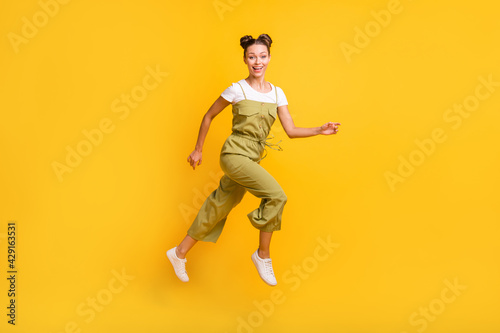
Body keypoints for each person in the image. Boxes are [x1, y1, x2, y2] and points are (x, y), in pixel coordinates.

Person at [167, 33, 340, 286]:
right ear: (245, 60)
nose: (257, 61)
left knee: (219, 204)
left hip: (253, 157)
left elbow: (290, 131)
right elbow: (208, 116)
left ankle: (179, 252)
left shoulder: (278, 93)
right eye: (251, 57)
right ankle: (263, 254)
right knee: (277, 196)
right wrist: (198, 149)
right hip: (234, 154)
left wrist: (318, 130)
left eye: (262, 56)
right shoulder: (236, 89)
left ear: (269, 58)